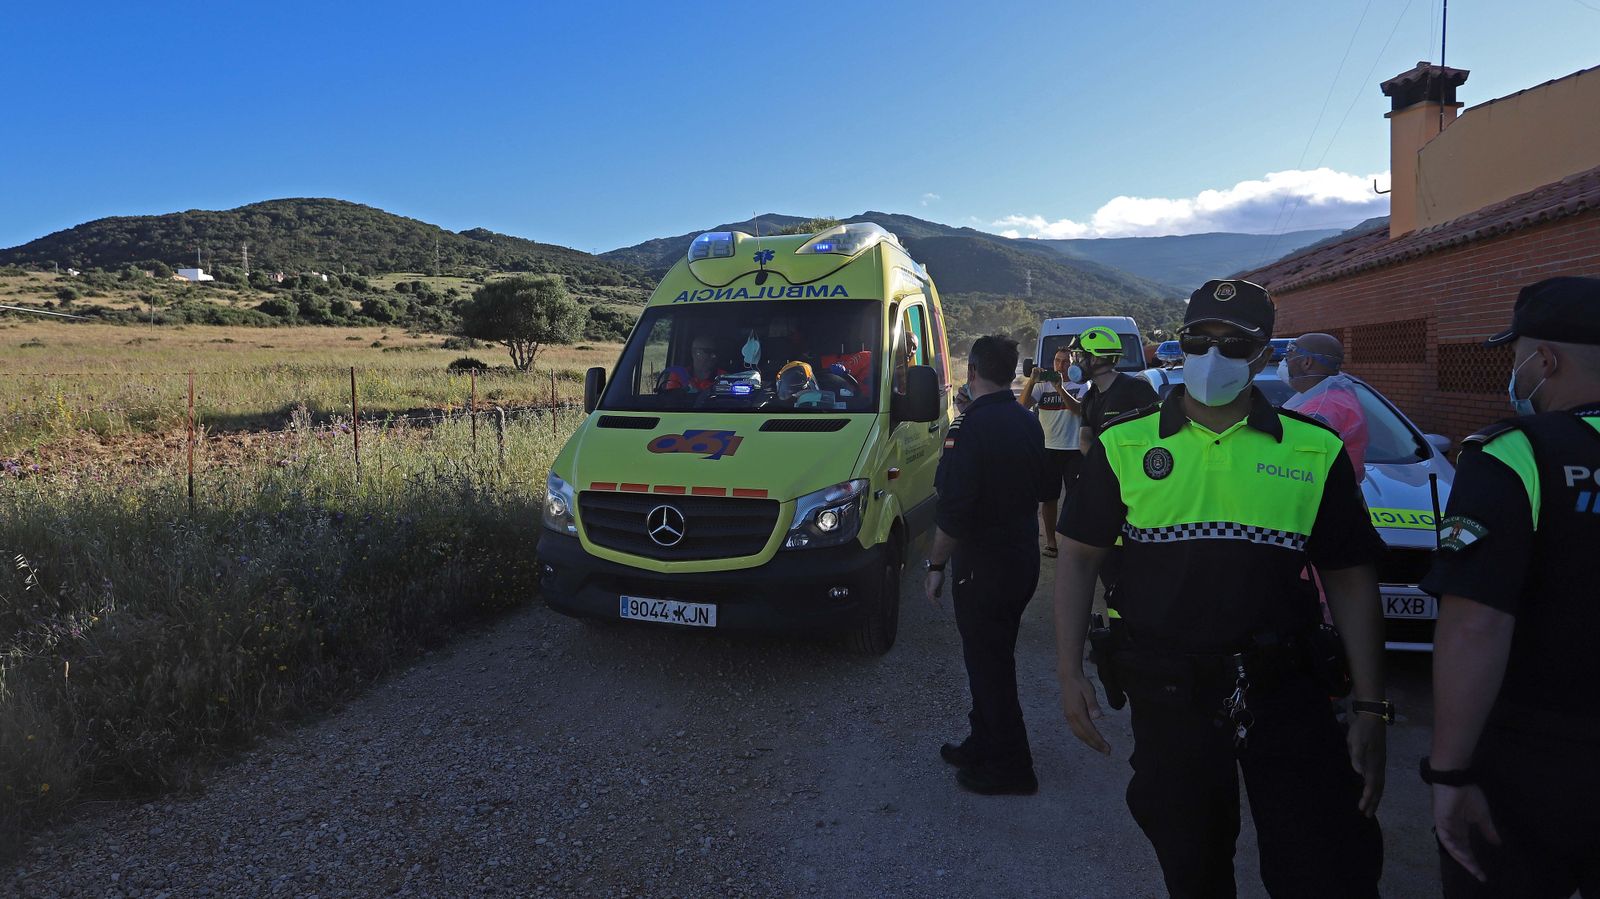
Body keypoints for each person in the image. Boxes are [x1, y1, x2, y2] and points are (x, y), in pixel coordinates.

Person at [1053, 278, 1390, 898]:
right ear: (1179, 346)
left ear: (1264, 356)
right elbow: (1076, 560)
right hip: (1168, 693)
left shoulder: (1314, 450)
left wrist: (1371, 704)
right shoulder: (1123, 443)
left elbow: (1349, 578)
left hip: (1287, 692)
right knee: (1192, 866)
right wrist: (1068, 669)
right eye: (1199, 340)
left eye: (1236, 344)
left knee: (1320, 868)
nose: (1214, 357)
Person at [1419, 275, 1600, 898]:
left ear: (1544, 359)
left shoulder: (1513, 454)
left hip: (1536, 757)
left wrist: (1450, 771)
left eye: (1517, 353)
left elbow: (1477, 622)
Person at [925, 335, 1056, 796]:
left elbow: (954, 509)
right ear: (1011, 373)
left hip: (985, 566)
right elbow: (1045, 488)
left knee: (989, 664)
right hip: (1019, 560)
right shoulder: (1026, 420)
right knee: (989, 658)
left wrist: (935, 565)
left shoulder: (970, 428)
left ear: (972, 372)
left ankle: (1012, 767)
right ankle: (983, 741)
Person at [1020, 346, 1086, 558]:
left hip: (1074, 448)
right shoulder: (1042, 386)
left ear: (1073, 364)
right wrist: (1031, 381)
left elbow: (1079, 410)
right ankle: (1050, 541)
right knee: (1048, 498)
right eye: (1057, 361)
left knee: (1074, 499)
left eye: (1066, 362)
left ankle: (1070, 540)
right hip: (1048, 448)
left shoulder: (1083, 384)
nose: (1060, 366)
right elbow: (1021, 406)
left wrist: (1060, 388)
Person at [1280, 332, 1369, 481]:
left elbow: (1296, 471)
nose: (1284, 363)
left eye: (1288, 357)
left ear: (1307, 362)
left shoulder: (1316, 413)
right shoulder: (1339, 397)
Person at [1074, 326, 1158, 455]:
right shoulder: (1089, 397)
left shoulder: (1137, 390)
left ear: (1094, 358)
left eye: (1079, 356)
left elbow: (1158, 432)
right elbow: (1085, 438)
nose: (1076, 363)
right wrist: (1098, 464)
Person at [658, 334, 726, 393]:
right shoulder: (678, 375)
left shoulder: (723, 377)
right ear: (695, 353)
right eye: (708, 352)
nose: (713, 356)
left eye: (715, 352)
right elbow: (670, 402)